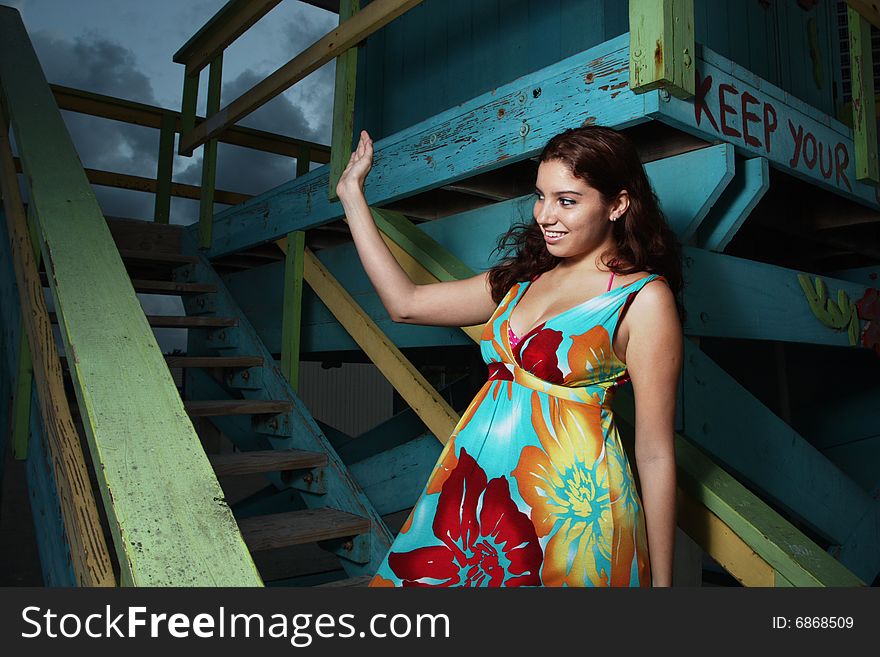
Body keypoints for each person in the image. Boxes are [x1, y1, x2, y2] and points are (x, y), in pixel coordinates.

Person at [335, 125, 683, 587]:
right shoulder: (523, 280)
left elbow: (656, 452)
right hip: (478, 499)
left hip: (574, 517)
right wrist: (352, 196)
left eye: (567, 200)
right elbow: (407, 304)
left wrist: (663, 584)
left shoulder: (643, 299)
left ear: (617, 204)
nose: (545, 215)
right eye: (541, 196)